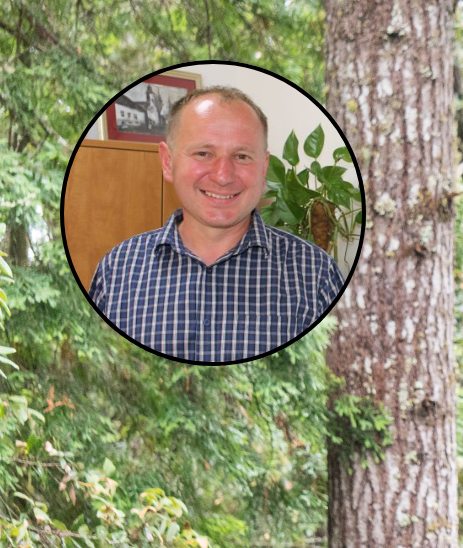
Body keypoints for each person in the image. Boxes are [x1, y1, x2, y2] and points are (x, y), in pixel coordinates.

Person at [90, 86, 343, 363]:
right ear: (167, 161)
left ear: (263, 167)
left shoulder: (316, 277)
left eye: (242, 156)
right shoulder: (117, 272)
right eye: (203, 154)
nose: (223, 175)